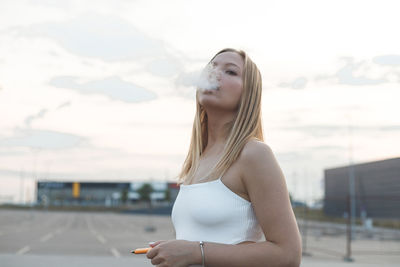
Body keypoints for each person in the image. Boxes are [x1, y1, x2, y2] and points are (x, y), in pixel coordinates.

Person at [146, 48, 302, 267]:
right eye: (211, 68)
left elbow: (288, 254)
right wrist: (175, 250)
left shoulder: (254, 154)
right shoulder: (198, 160)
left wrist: (195, 251)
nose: (215, 74)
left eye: (230, 72)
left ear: (248, 93)